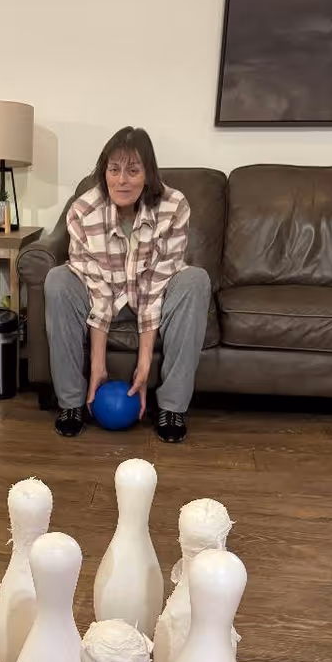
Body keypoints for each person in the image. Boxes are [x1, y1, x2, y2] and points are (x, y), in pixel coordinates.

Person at [44, 127, 210, 441]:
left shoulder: (174, 206)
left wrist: (144, 363)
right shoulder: (83, 211)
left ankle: (171, 407)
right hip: (102, 298)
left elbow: (157, 284)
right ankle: (71, 403)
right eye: (114, 170)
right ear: (104, 172)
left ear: (148, 174)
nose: (122, 180)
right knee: (58, 279)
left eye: (133, 171)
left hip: (156, 297)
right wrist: (98, 365)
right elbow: (97, 288)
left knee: (195, 279)